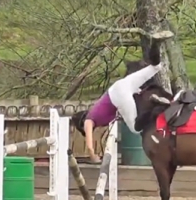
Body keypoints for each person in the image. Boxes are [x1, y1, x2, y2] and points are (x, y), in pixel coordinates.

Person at [72, 31, 173, 163]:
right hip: (122, 85)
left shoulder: (88, 121)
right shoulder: (96, 110)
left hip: (118, 95)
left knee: (136, 129)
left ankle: (154, 103)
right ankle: (156, 43)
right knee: (155, 67)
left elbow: (90, 146)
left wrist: (94, 157)